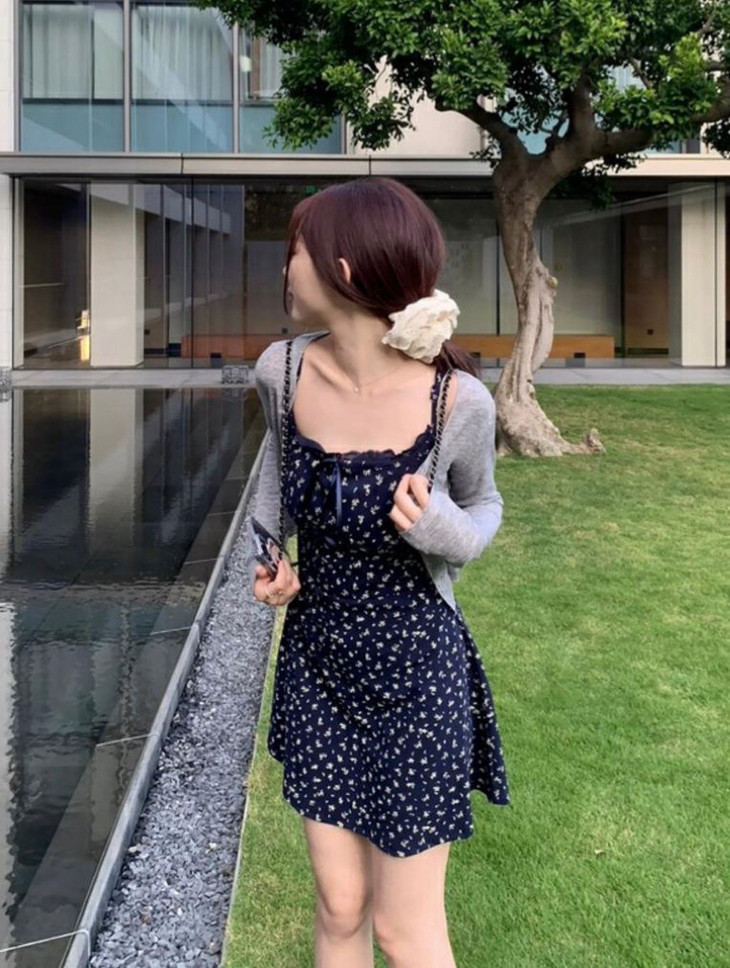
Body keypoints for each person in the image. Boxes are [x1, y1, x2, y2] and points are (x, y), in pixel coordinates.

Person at [246, 176, 510, 968]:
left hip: (419, 675)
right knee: (340, 906)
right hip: (319, 665)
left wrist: (438, 528)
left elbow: (484, 509)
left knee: (404, 931)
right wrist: (269, 554)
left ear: (343, 269)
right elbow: (275, 479)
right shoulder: (281, 372)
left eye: (294, 252)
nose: (285, 269)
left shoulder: (456, 402)